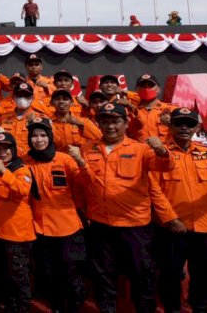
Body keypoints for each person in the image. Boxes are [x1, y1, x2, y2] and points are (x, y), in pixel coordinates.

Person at [67, 102, 173, 313]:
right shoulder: (87, 149)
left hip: (135, 225)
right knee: (103, 274)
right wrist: (81, 210)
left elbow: (164, 166)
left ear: (125, 123)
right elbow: (81, 184)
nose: (110, 126)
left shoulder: (141, 149)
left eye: (115, 121)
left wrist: (162, 151)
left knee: (142, 274)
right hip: (100, 224)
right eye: (105, 121)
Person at [150, 108, 207, 313]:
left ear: (197, 127)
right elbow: (154, 190)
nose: (184, 128)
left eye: (189, 124)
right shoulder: (159, 153)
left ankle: (201, 306)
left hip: (205, 226)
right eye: (179, 123)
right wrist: (170, 219)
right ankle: (172, 307)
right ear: (170, 126)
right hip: (171, 227)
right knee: (170, 273)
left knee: (205, 273)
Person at [25, 118, 86, 313]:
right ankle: (57, 306)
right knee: (48, 273)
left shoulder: (65, 159)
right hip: (40, 228)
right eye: (34, 135)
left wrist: (81, 162)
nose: (39, 139)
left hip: (67, 227)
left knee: (70, 272)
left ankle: (75, 306)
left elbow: (83, 185)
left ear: (50, 137)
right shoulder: (25, 162)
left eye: (43, 135)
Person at [0, 132, 35, 313]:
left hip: (18, 235)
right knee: (2, 275)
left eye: (6, 148)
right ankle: (10, 306)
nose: (2, 152)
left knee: (18, 277)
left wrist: (4, 171)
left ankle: (23, 308)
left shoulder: (21, 169)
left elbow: (21, 190)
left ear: (13, 150)